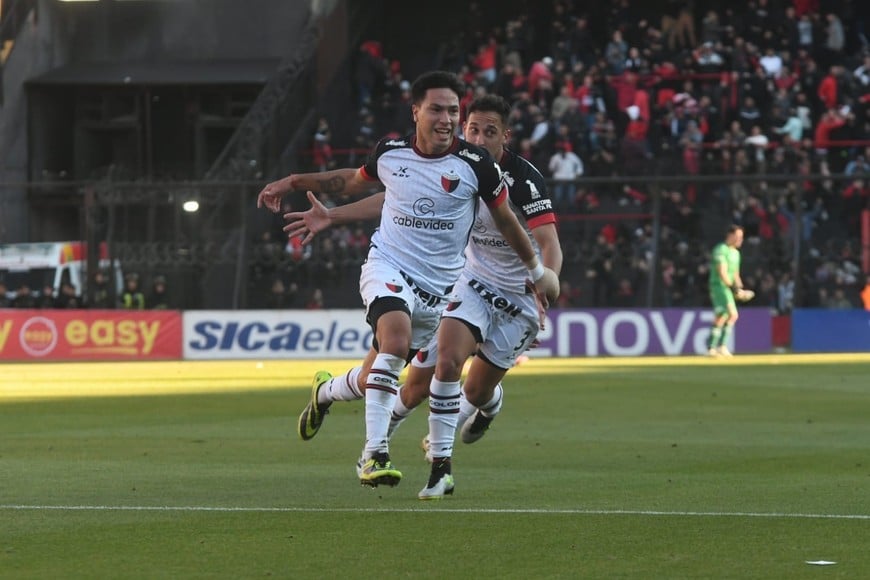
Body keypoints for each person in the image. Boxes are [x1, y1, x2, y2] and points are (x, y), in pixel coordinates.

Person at [257, 71, 560, 493]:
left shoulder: (482, 169)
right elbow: (358, 184)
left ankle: (325, 392)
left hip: (440, 290)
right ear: (415, 111)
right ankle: (374, 455)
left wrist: (538, 275)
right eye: (440, 110)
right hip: (393, 267)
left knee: (375, 378)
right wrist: (297, 184)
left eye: (454, 111)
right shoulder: (394, 154)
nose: (450, 120)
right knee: (401, 350)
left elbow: (515, 225)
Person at [705, 225, 752, 357]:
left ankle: (713, 347)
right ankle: (720, 346)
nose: (740, 239)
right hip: (718, 286)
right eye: (737, 236)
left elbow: (735, 274)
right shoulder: (721, 249)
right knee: (732, 314)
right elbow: (722, 271)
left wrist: (740, 289)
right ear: (730, 235)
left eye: (741, 237)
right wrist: (734, 288)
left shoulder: (736, 253)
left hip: (728, 287)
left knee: (722, 316)